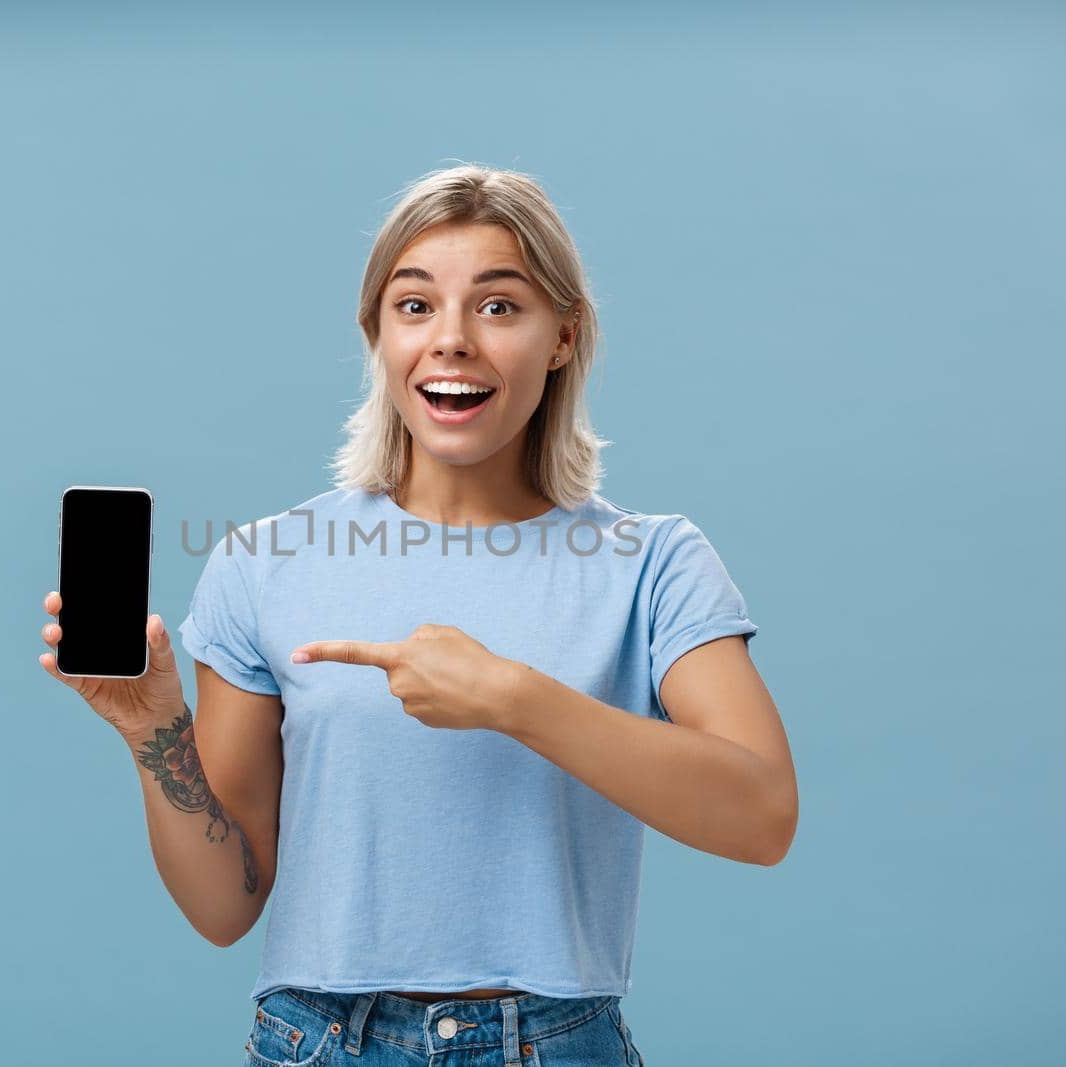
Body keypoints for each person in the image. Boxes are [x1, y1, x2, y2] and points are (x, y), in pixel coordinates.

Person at [39, 163, 797, 1066]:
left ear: (564, 335)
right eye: (414, 306)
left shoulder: (653, 563)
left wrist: (514, 697)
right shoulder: (263, 562)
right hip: (317, 1042)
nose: (452, 341)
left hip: (552, 1045)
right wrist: (154, 733)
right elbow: (225, 904)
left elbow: (762, 816)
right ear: (378, 335)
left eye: (499, 306)